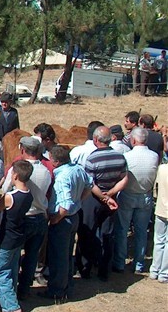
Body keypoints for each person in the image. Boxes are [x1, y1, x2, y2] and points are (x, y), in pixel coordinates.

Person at [0, 136, 52, 299]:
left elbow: (5, 190)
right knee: (32, 255)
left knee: (13, 255)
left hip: (22, 217)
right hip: (40, 217)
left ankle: (11, 290)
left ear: (22, 150)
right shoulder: (46, 170)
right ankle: (24, 289)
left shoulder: (18, 170)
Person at [43, 146, 95, 300]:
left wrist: (55, 219)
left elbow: (65, 205)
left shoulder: (62, 177)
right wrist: (79, 201)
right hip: (74, 217)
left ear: (56, 161)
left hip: (63, 220)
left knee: (58, 256)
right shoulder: (77, 169)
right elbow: (90, 185)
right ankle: (67, 285)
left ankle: (56, 291)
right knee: (67, 254)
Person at [81, 125, 128, 281]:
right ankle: (103, 270)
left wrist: (103, 197)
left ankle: (85, 268)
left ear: (95, 139)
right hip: (111, 200)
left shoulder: (92, 158)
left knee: (87, 233)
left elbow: (90, 183)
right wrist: (111, 194)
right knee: (106, 234)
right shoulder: (120, 157)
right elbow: (124, 178)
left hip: (94, 200)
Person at [0, 160, 34, 312]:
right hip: (17, 236)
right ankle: (10, 296)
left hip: (5, 238)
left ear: (15, 175)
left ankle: (11, 306)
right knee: (12, 268)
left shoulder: (10, 197)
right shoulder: (29, 194)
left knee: (0, 272)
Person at [114, 127, 158, 274]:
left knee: (122, 229)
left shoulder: (127, 156)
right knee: (141, 231)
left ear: (133, 140)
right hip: (145, 195)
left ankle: (120, 262)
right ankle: (139, 263)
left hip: (127, 194)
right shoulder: (154, 156)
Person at [151, 163, 168, 283]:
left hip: (161, 208)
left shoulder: (162, 168)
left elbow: (155, 188)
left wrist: (156, 198)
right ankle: (164, 273)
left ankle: (154, 270)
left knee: (158, 240)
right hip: (162, 208)